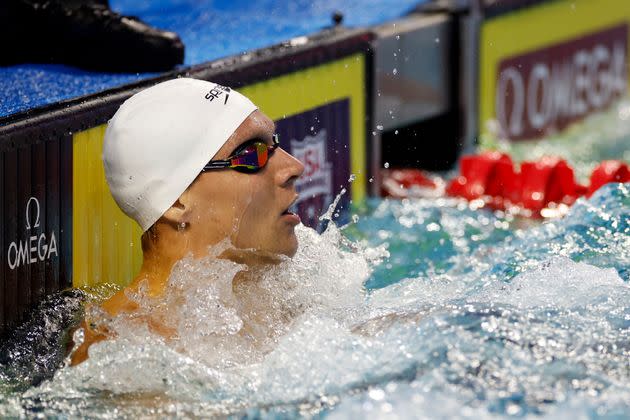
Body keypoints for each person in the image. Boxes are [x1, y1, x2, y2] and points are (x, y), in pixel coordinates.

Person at [70, 78, 304, 365]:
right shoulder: (125, 345)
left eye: (274, 145)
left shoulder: (274, 299)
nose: (294, 167)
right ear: (177, 201)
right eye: (251, 153)